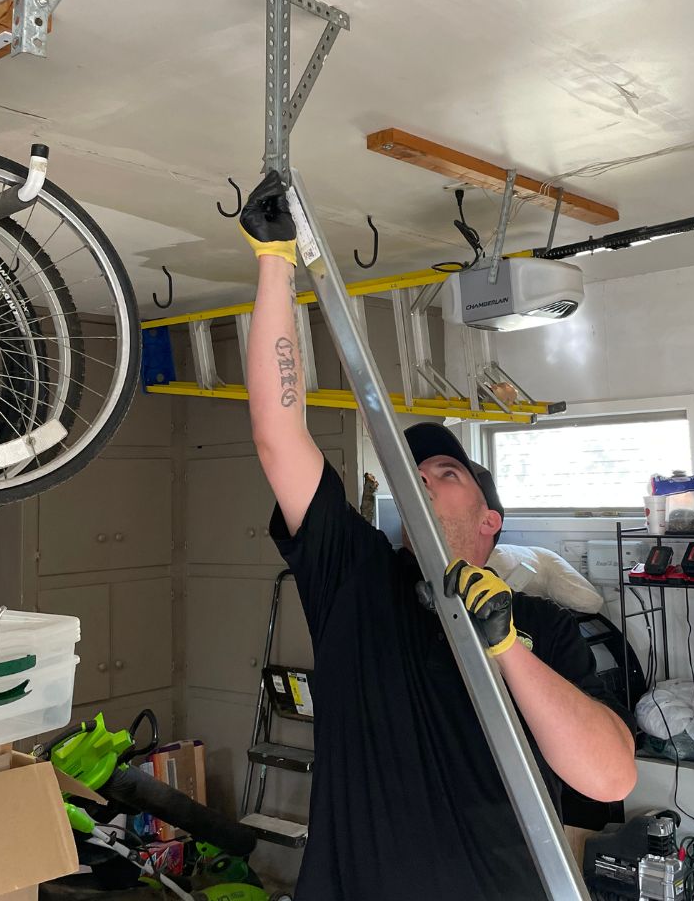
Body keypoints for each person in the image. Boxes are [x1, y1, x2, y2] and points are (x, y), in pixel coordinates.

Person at [239, 171, 637, 901]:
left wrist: (505, 645)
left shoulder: (543, 627)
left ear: (491, 521)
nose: (421, 477)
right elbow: (278, 435)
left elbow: (609, 776)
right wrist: (273, 261)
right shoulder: (355, 575)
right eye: (411, 472)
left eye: (446, 470)